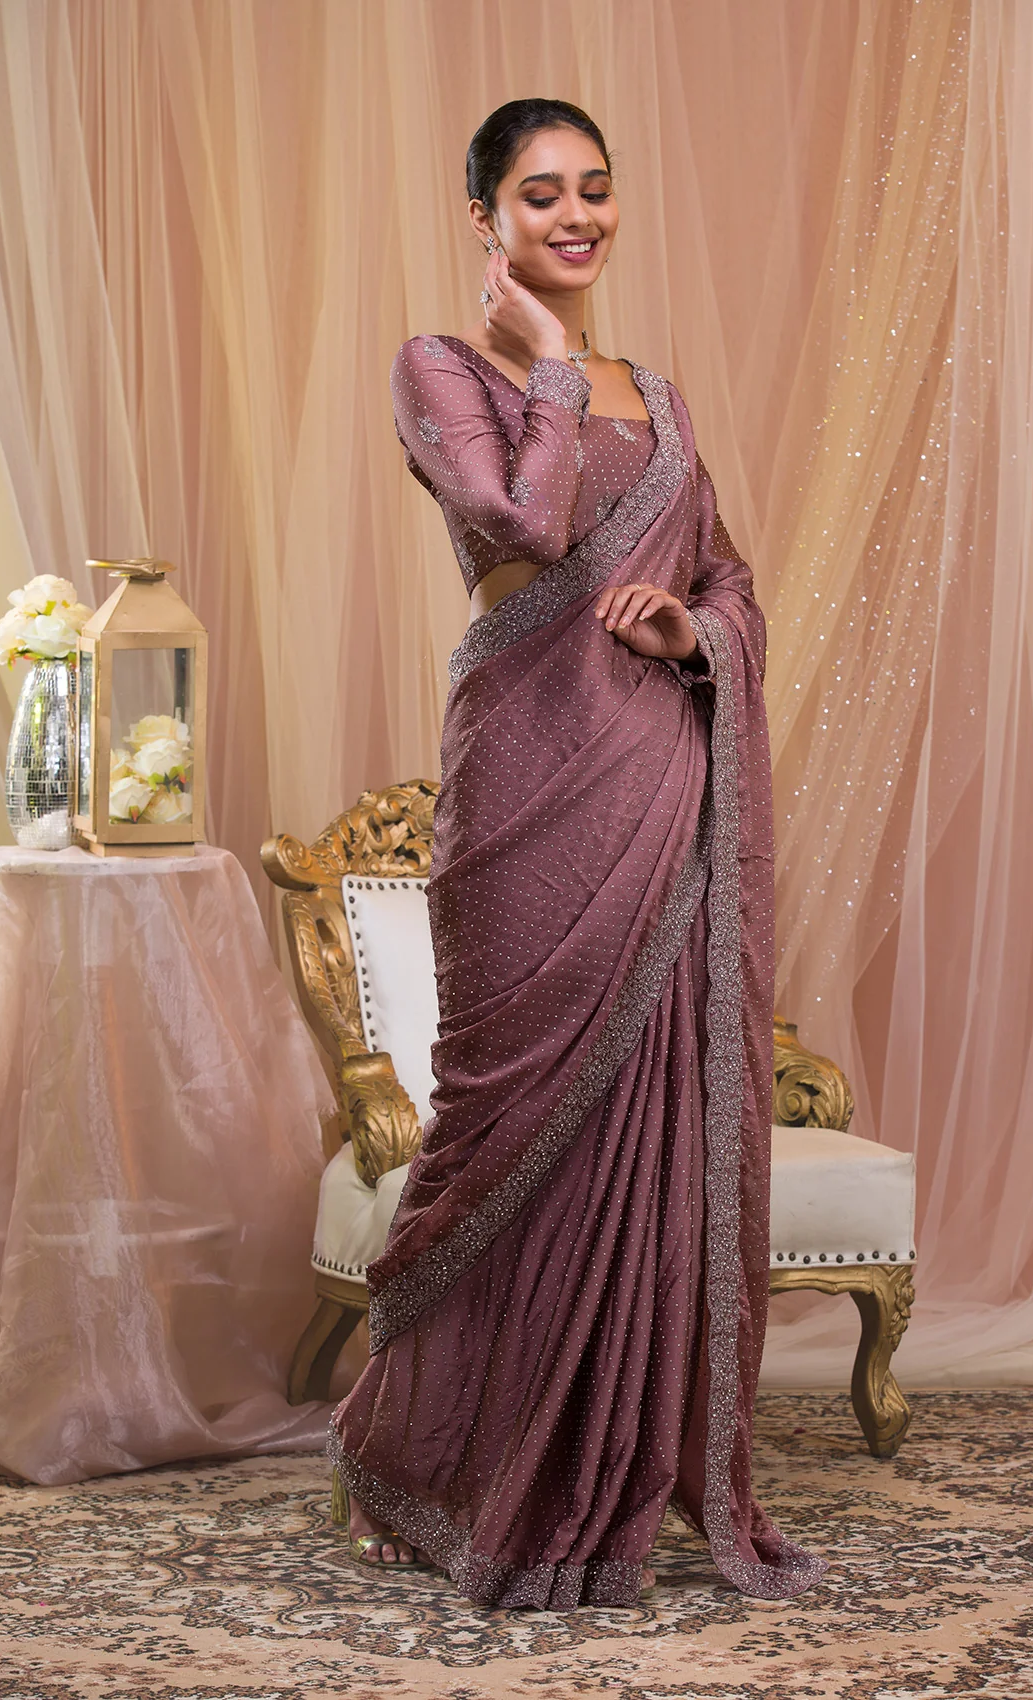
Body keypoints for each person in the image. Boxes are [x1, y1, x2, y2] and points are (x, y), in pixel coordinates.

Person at [328, 97, 826, 1610]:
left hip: (659, 776)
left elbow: (729, 575)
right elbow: (521, 525)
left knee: (652, 1118)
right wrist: (548, 357)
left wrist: (694, 631)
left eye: (595, 189)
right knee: (508, 1108)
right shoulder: (442, 367)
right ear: (485, 216)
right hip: (529, 781)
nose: (576, 217)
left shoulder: (662, 401)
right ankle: (452, 1463)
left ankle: (607, 1465)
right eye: (540, 194)